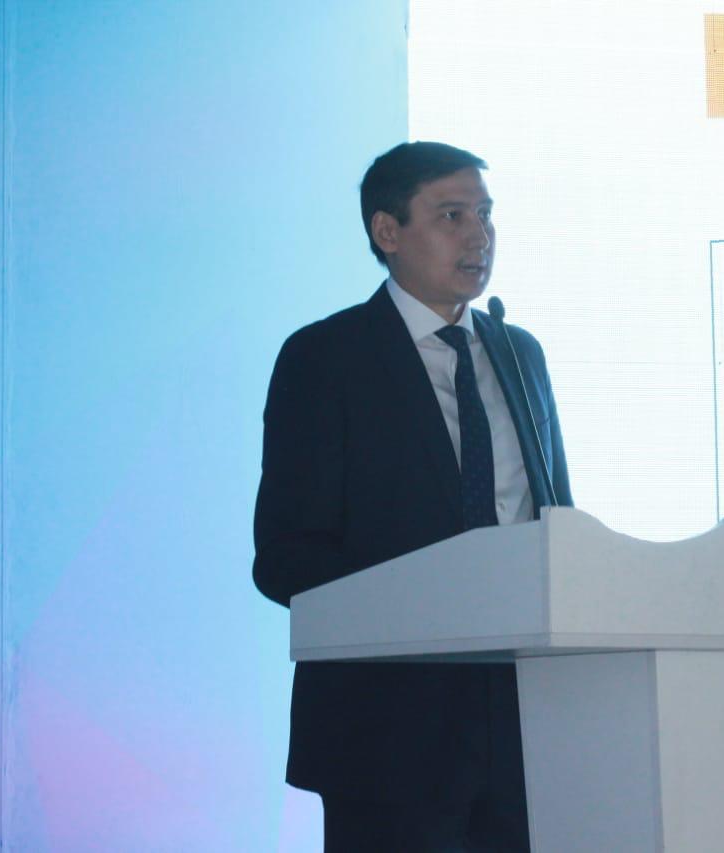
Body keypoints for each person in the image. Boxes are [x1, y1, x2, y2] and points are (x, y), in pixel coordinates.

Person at [253, 141, 572, 852]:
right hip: (388, 730)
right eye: (452, 215)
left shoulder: (520, 353)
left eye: (485, 214)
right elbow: (285, 557)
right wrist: (428, 597)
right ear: (387, 232)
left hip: (525, 727)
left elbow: (560, 525)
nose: (478, 236)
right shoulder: (326, 357)